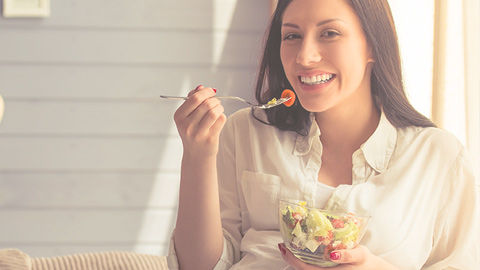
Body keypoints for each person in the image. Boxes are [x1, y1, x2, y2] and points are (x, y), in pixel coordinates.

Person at [167, 0, 480, 269]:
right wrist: (197, 156)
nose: (305, 56)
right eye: (292, 35)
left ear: (372, 44)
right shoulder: (245, 131)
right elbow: (199, 266)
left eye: (329, 33)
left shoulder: (439, 157)